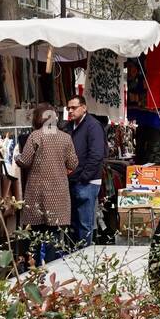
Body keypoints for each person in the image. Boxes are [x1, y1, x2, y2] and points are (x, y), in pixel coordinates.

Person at [17, 104, 79, 261]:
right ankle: (54, 273)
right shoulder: (66, 138)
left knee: (34, 237)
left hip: (36, 192)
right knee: (55, 238)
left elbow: (24, 161)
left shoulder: (35, 136)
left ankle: (35, 272)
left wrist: (15, 157)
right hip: (59, 194)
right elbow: (73, 163)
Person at [65, 94, 107, 248]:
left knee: (84, 223)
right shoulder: (70, 126)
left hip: (87, 182)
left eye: (74, 108)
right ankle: (76, 255)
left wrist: (83, 177)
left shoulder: (93, 126)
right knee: (75, 222)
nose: (70, 111)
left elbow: (96, 155)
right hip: (75, 180)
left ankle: (84, 257)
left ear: (84, 108)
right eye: (68, 108)